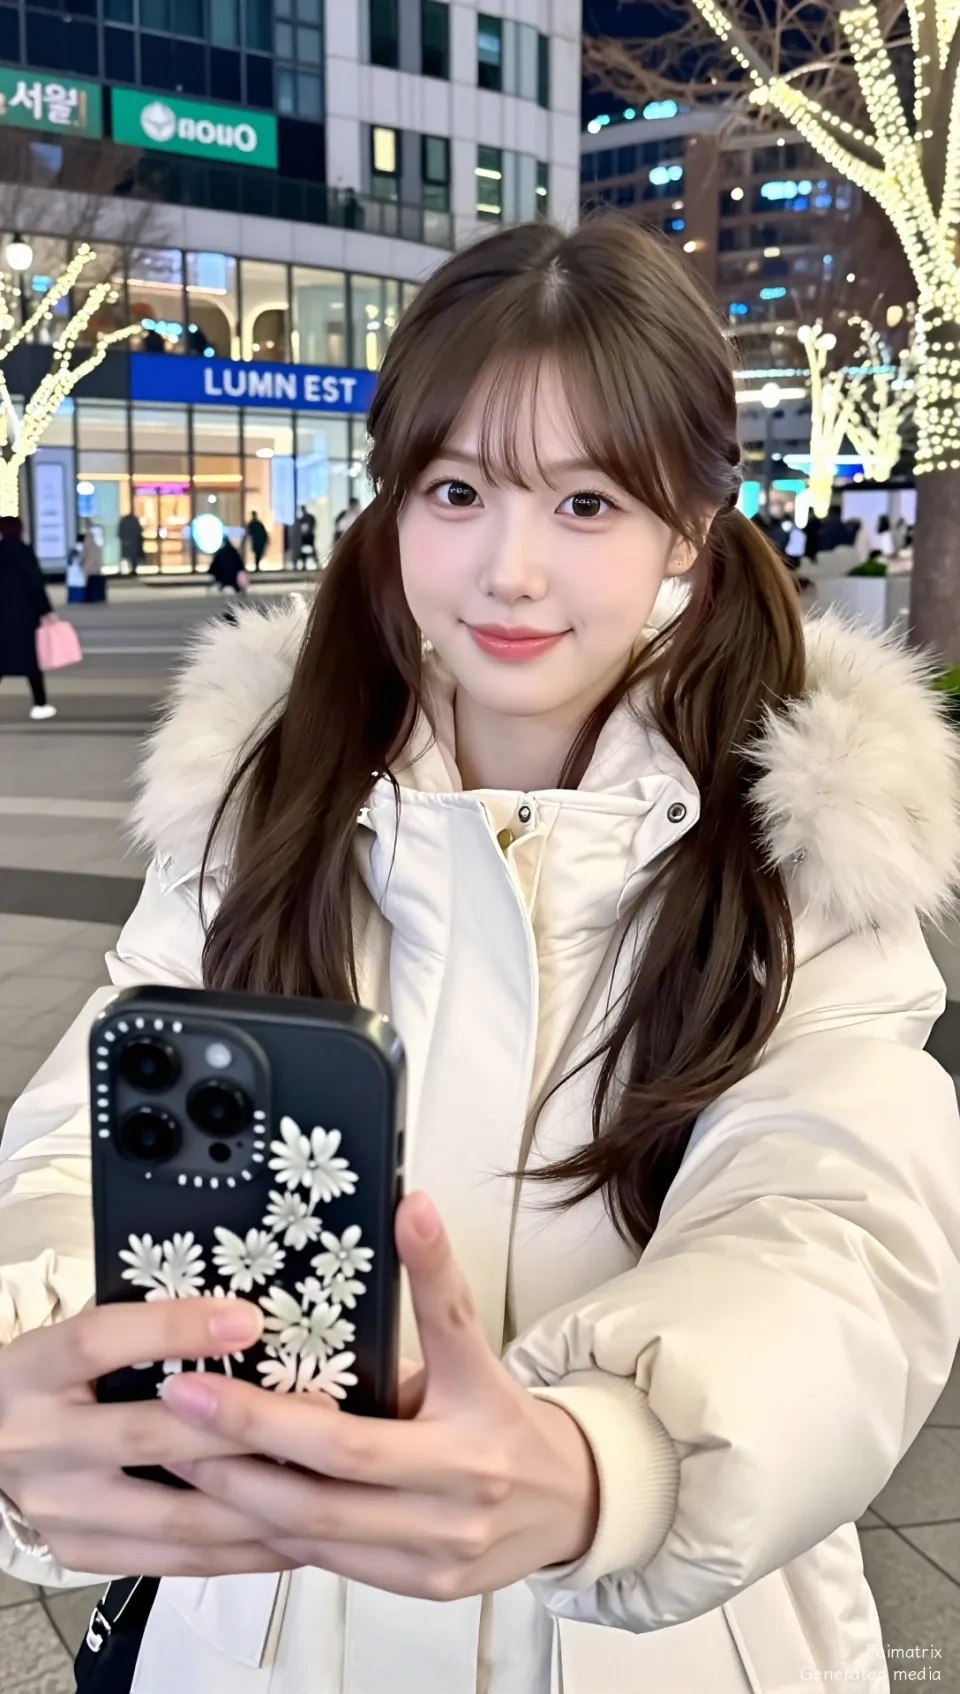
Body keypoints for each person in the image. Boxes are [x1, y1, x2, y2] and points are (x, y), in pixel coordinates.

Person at [0, 219, 959, 1694]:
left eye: (586, 502)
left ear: (689, 527)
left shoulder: (804, 844)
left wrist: (612, 1462)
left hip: (662, 1645)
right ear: (393, 502)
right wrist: (64, 1358)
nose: (511, 570)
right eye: (457, 491)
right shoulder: (264, 812)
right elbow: (84, 1149)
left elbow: (835, 1211)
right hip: (257, 1629)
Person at [0, 514, 57, 721]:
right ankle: (40, 704)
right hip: (24, 616)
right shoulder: (25, 552)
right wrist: (46, 610)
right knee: (31, 662)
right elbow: (36, 584)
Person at [118, 511, 145, 575]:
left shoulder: (125, 521)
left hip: (129, 543)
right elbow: (139, 531)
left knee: (130, 557)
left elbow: (120, 533)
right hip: (134, 543)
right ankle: (133, 569)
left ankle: (132, 569)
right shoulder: (134, 522)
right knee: (133, 557)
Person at [297, 503, 317, 567]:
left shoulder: (307, 518)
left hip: (308, 535)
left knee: (311, 549)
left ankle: (315, 562)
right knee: (304, 550)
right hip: (306, 536)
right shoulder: (303, 518)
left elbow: (312, 525)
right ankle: (305, 564)